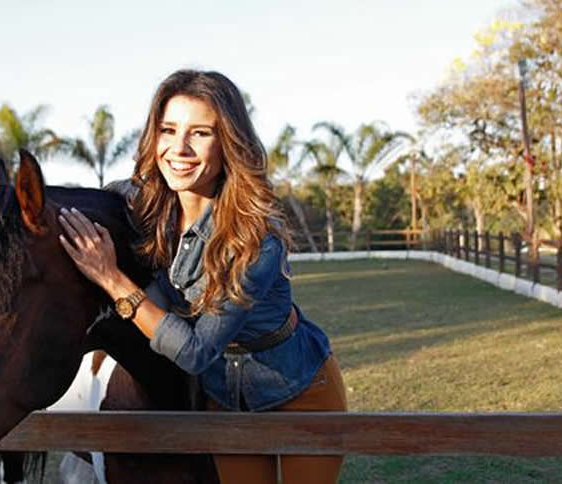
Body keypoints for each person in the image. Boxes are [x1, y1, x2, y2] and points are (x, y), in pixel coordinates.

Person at [57, 69, 347, 484]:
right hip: (224, 399)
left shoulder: (254, 238)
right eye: (168, 130)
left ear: (228, 143)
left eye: (200, 134)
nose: (179, 148)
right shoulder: (141, 204)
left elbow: (195, 352)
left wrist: (112, 279)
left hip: (300, 392)